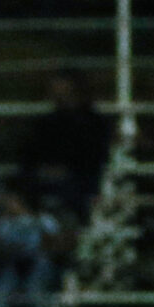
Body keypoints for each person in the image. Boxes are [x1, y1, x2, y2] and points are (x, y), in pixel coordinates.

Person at [18, 70, 115, 215]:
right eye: (55, 89)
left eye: (63, 89)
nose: (58, 93)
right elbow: (29, 155)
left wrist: (67, 170)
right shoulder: (46, 122)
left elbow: (95, 156)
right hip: (47, 179)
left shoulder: (94, 122)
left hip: (80, 181)